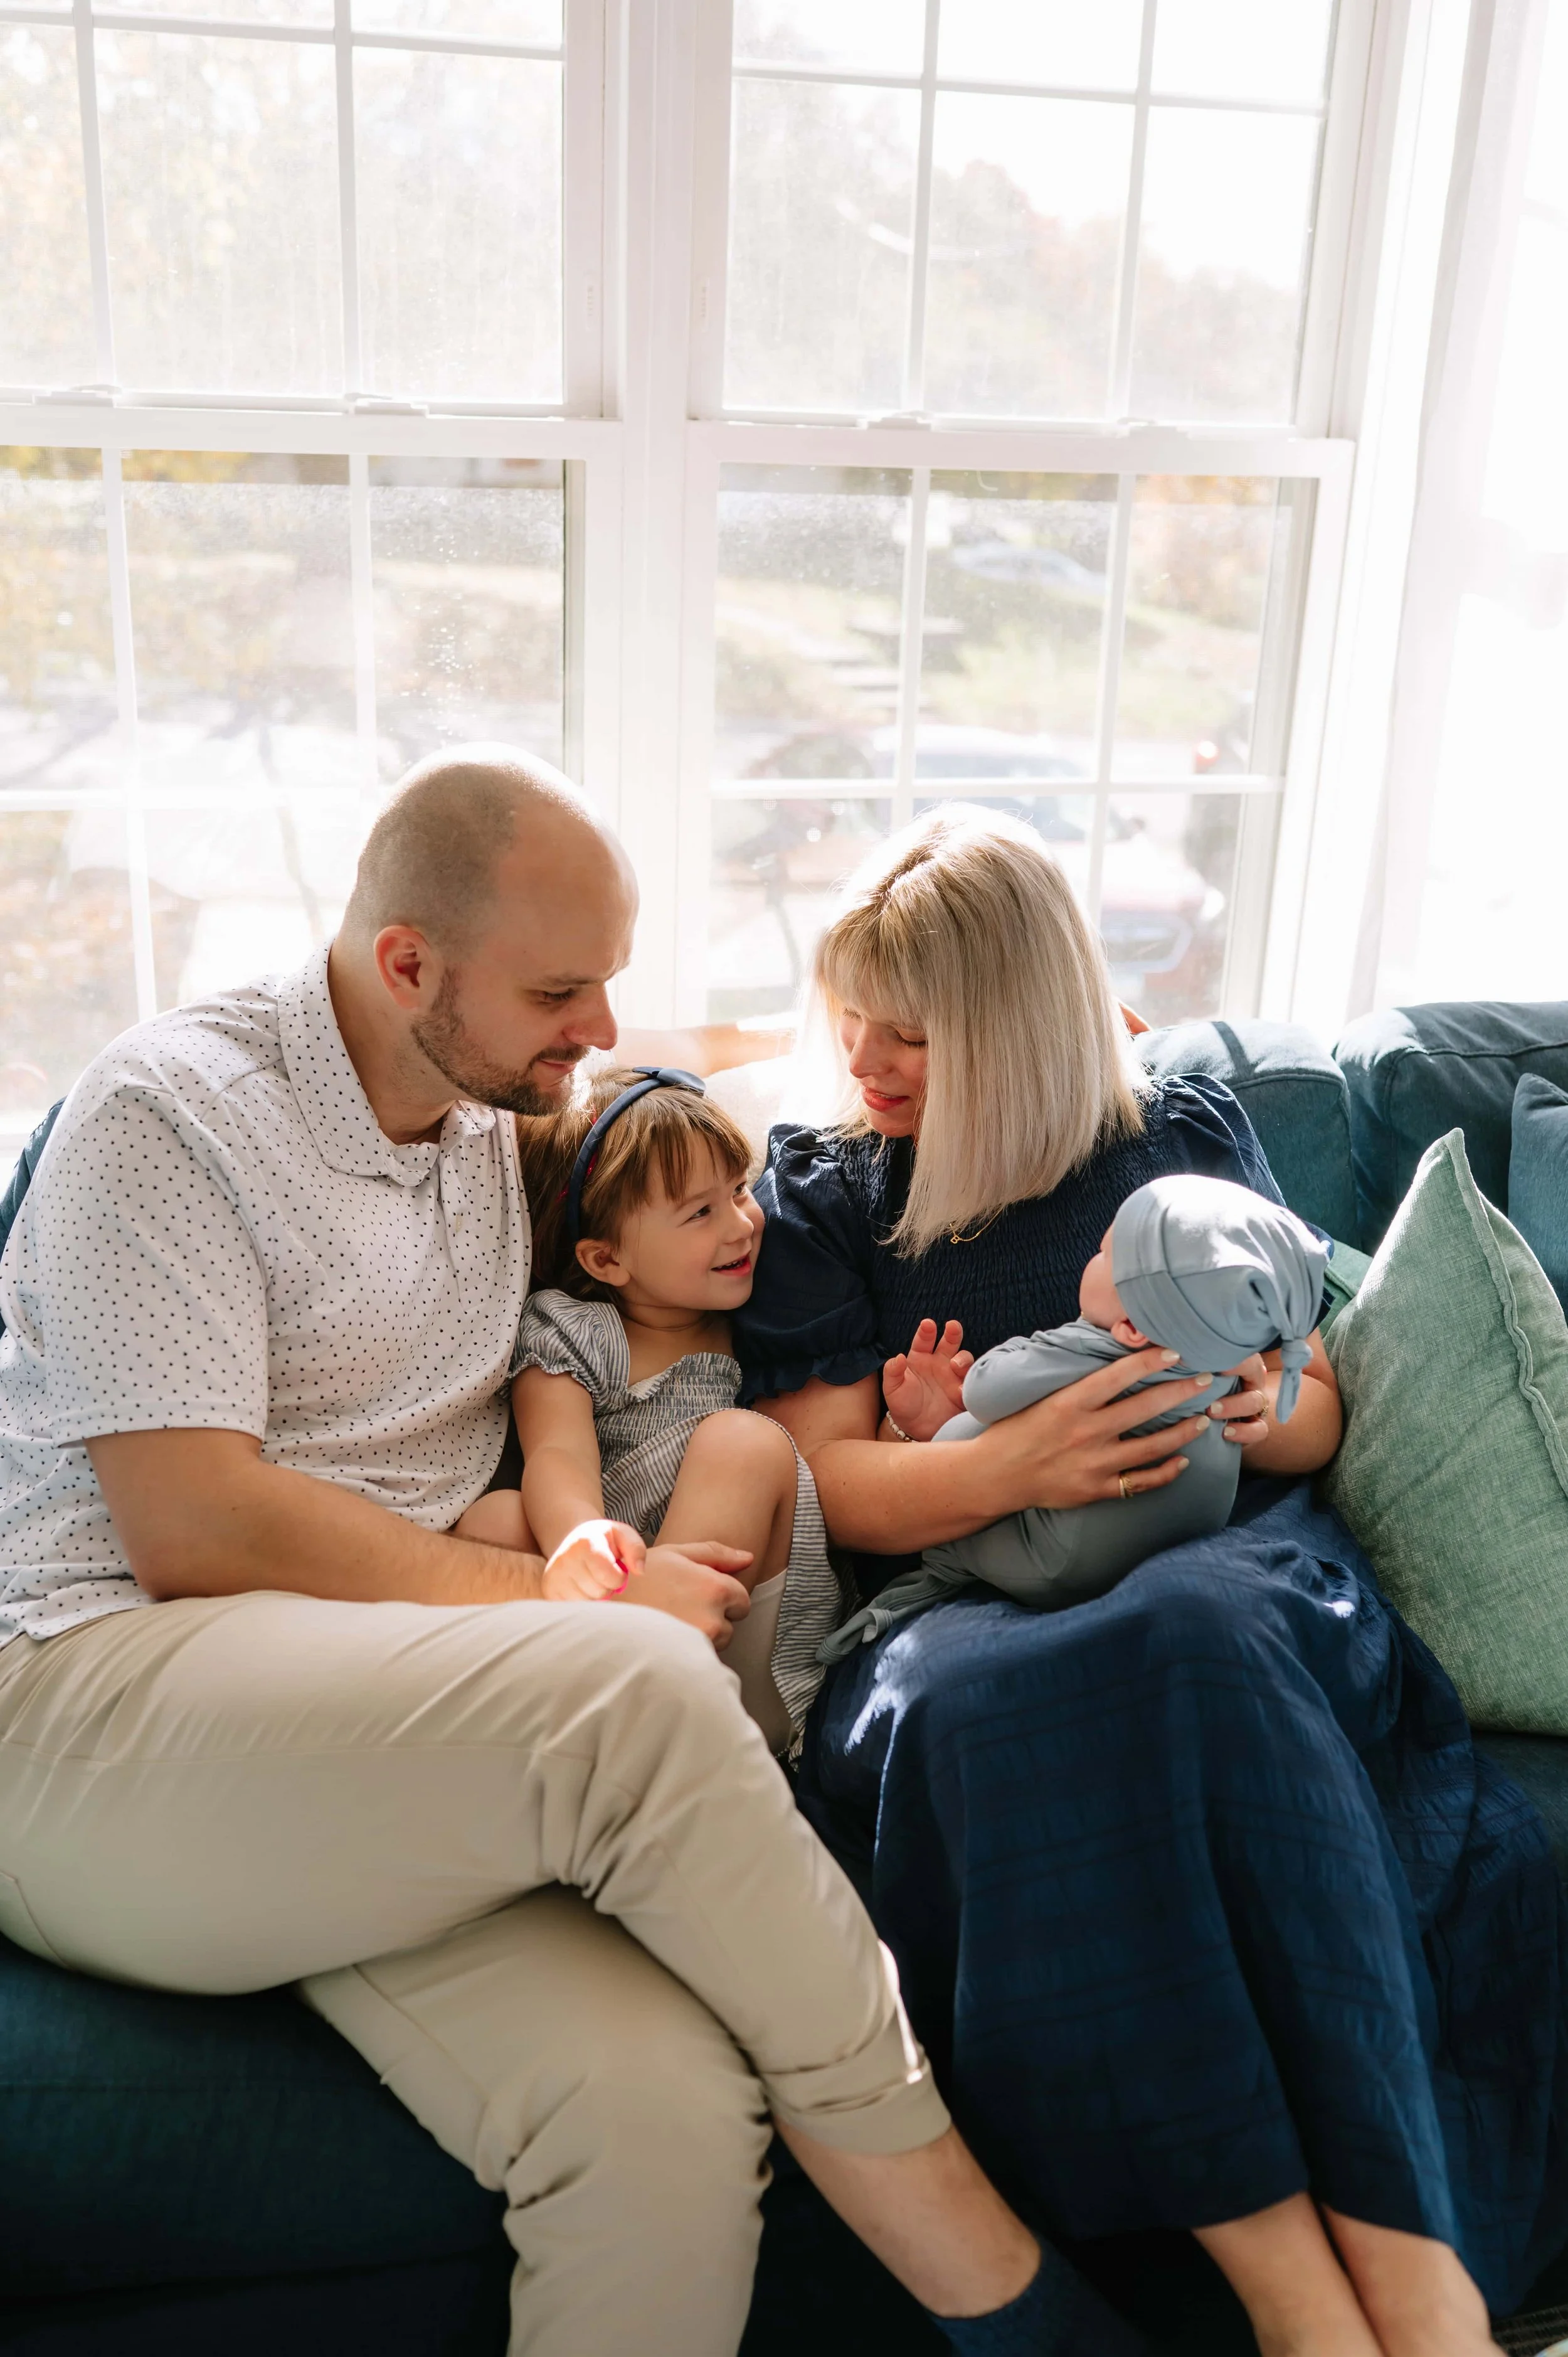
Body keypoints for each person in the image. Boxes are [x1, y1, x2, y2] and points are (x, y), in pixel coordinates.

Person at [0, 752, 1147, 2357]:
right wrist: (559, 1589)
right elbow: (195, 1527)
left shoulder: (497, 1116)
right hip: (92, 1699)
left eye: (606, 978)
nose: (598, 1024)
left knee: (659, 2123)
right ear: (408, 963)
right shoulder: (169, 1114)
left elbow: (690, 1128)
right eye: (560, 990)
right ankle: (1023, 2312)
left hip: (374, 1732)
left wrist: (1072, 1050)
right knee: (630, 1679)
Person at [734, 806, 1567, 2357]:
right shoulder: (827, 1190)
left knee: (1196, 1633)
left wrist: (1265, 1404)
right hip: (960, 1594)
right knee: (1001, 1716)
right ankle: (1298, 2305)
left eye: (908, 1030)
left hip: (1220, 1559)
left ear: (1014, 1026)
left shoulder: (1174, 1136)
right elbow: (818, 1478)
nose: (863, 1055)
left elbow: (1312, 1401)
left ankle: (1418, 2289)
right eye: (849, 1012)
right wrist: (1010, 1465)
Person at [456, 1062, 844, 1749]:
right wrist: (580, 1534)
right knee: (495, 1519)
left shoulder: (762, 1316)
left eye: (739, 1189)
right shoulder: (575, 1331)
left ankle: (644, 1708)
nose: (742, 1224)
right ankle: (596, 1716)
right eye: (700, 1212)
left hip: (744, 1638)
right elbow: (557, 1450)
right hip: (618, 1593)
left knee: (743, 1442)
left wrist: (908, 1422)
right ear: (606, 1260)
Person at [820, 1174, 1330, 1652]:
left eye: (1103, 1253)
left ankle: (947, 1564)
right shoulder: (1207, 1352)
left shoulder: (1088, 1343)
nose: (1093, 1256)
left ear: (1132, 1328)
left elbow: (984, 1389)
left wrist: (1250, 1408)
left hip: (1066, 1558)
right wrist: (933, 1443)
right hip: (1193, 1538)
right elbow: (817, 1488)